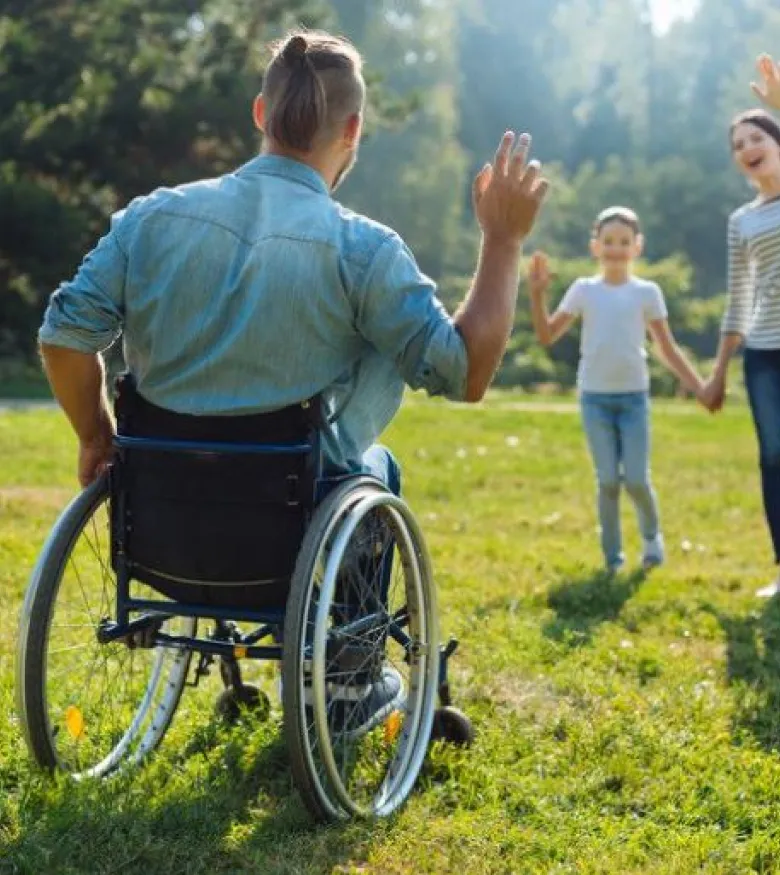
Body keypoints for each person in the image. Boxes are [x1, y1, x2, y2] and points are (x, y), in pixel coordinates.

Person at [37, 30, 549, 724]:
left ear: (259, 113)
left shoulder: (151, 219)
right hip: (291, 528)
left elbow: (64, 336)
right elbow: (464, 372)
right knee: (376, 464)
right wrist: (503, 241)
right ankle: (347, 684)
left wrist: (96, 434)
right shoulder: (363, 250)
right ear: (354, 130)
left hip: (161, 521)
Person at [527, 207, 709, 573]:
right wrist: (536, 295)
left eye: (624, 242)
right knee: (608, 481)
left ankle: (651, 538)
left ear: (637, 246)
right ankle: (613, 559)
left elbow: (667, 347)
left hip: (634, 399)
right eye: (608, 241)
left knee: (637, 480)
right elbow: (547, 335)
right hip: (595, 398)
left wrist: (701, 387)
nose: (615, 248)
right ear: (595, 246)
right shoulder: (583, 290)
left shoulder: (647, 292)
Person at [702, 82, 780, 597]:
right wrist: (718, 372)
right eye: (737, 145)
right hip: (764, 354)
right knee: (773, 458)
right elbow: (738, 297)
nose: (746, 149)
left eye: (756, 136)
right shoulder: (742, 220)